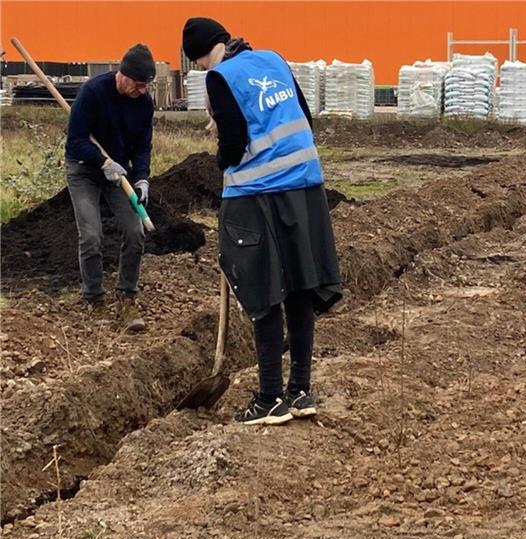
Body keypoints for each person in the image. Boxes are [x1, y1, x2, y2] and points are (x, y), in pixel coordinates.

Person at [182, 17, 342, 425]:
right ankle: (301, 391)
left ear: (203, 54)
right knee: (301, 287)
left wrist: (219, 139)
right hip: (306, 188)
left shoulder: (219, 77)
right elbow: (303, 116)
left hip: (257, 195)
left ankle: (270, 397)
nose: (202, 71)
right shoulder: (273, 59)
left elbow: (234, 147)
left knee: (264, 287)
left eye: (198, 64)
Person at [65, 44, 155, 331]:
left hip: (118, 175)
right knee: (91, 235)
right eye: (139, 85)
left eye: (146, 86)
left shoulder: (144, 103)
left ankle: (127, 297)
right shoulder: (94, 92)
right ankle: (94, 300)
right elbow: (75, 140)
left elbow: (142, 147)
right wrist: (103, 161)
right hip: (84, 170)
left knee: (135, 231)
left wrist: (141, 179)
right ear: (123, 75)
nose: (142, 90)